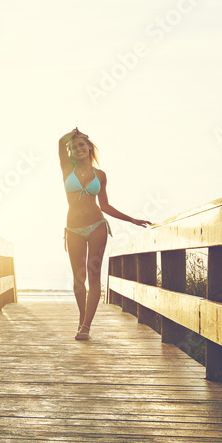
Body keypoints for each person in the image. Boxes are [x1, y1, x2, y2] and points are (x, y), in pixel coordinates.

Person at [59, 128, 150, 340]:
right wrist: (71, 134)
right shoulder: (66, 169)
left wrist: (132, 219)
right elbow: (59, 145)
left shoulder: (100, 175)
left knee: (93, 277)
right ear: (70, 151)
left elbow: (106, 206)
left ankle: (86, 327)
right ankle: (81, 319)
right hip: (72, 229)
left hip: (97, 227)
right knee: (78, 279)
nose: (78, 149)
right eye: (74, 147)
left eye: (82, 145)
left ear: (89, 146)